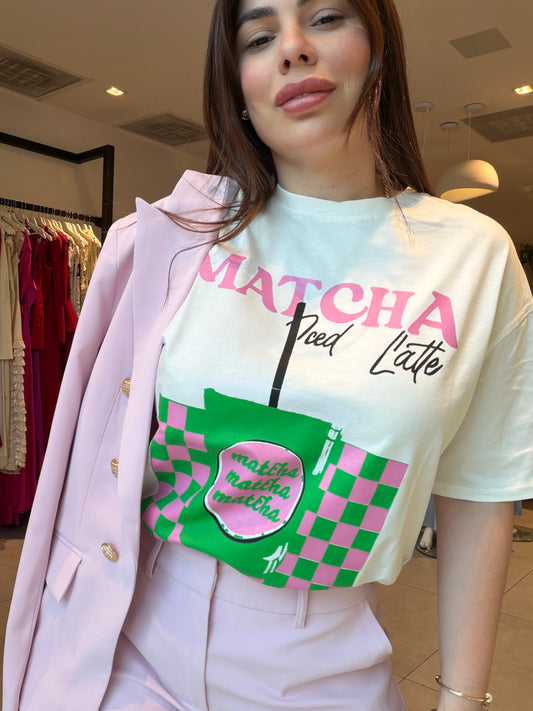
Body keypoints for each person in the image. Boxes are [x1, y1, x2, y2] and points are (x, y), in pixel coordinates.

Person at [3, 0, 533, 709]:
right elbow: (85, 461)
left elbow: (477, 491)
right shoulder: (164, 240)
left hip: (324, 658)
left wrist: (461, 698)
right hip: (136, 633)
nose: (291, 48)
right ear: (237, 86)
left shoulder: (471, 257)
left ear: (379, 47)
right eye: (258, 37)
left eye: (325, 17)